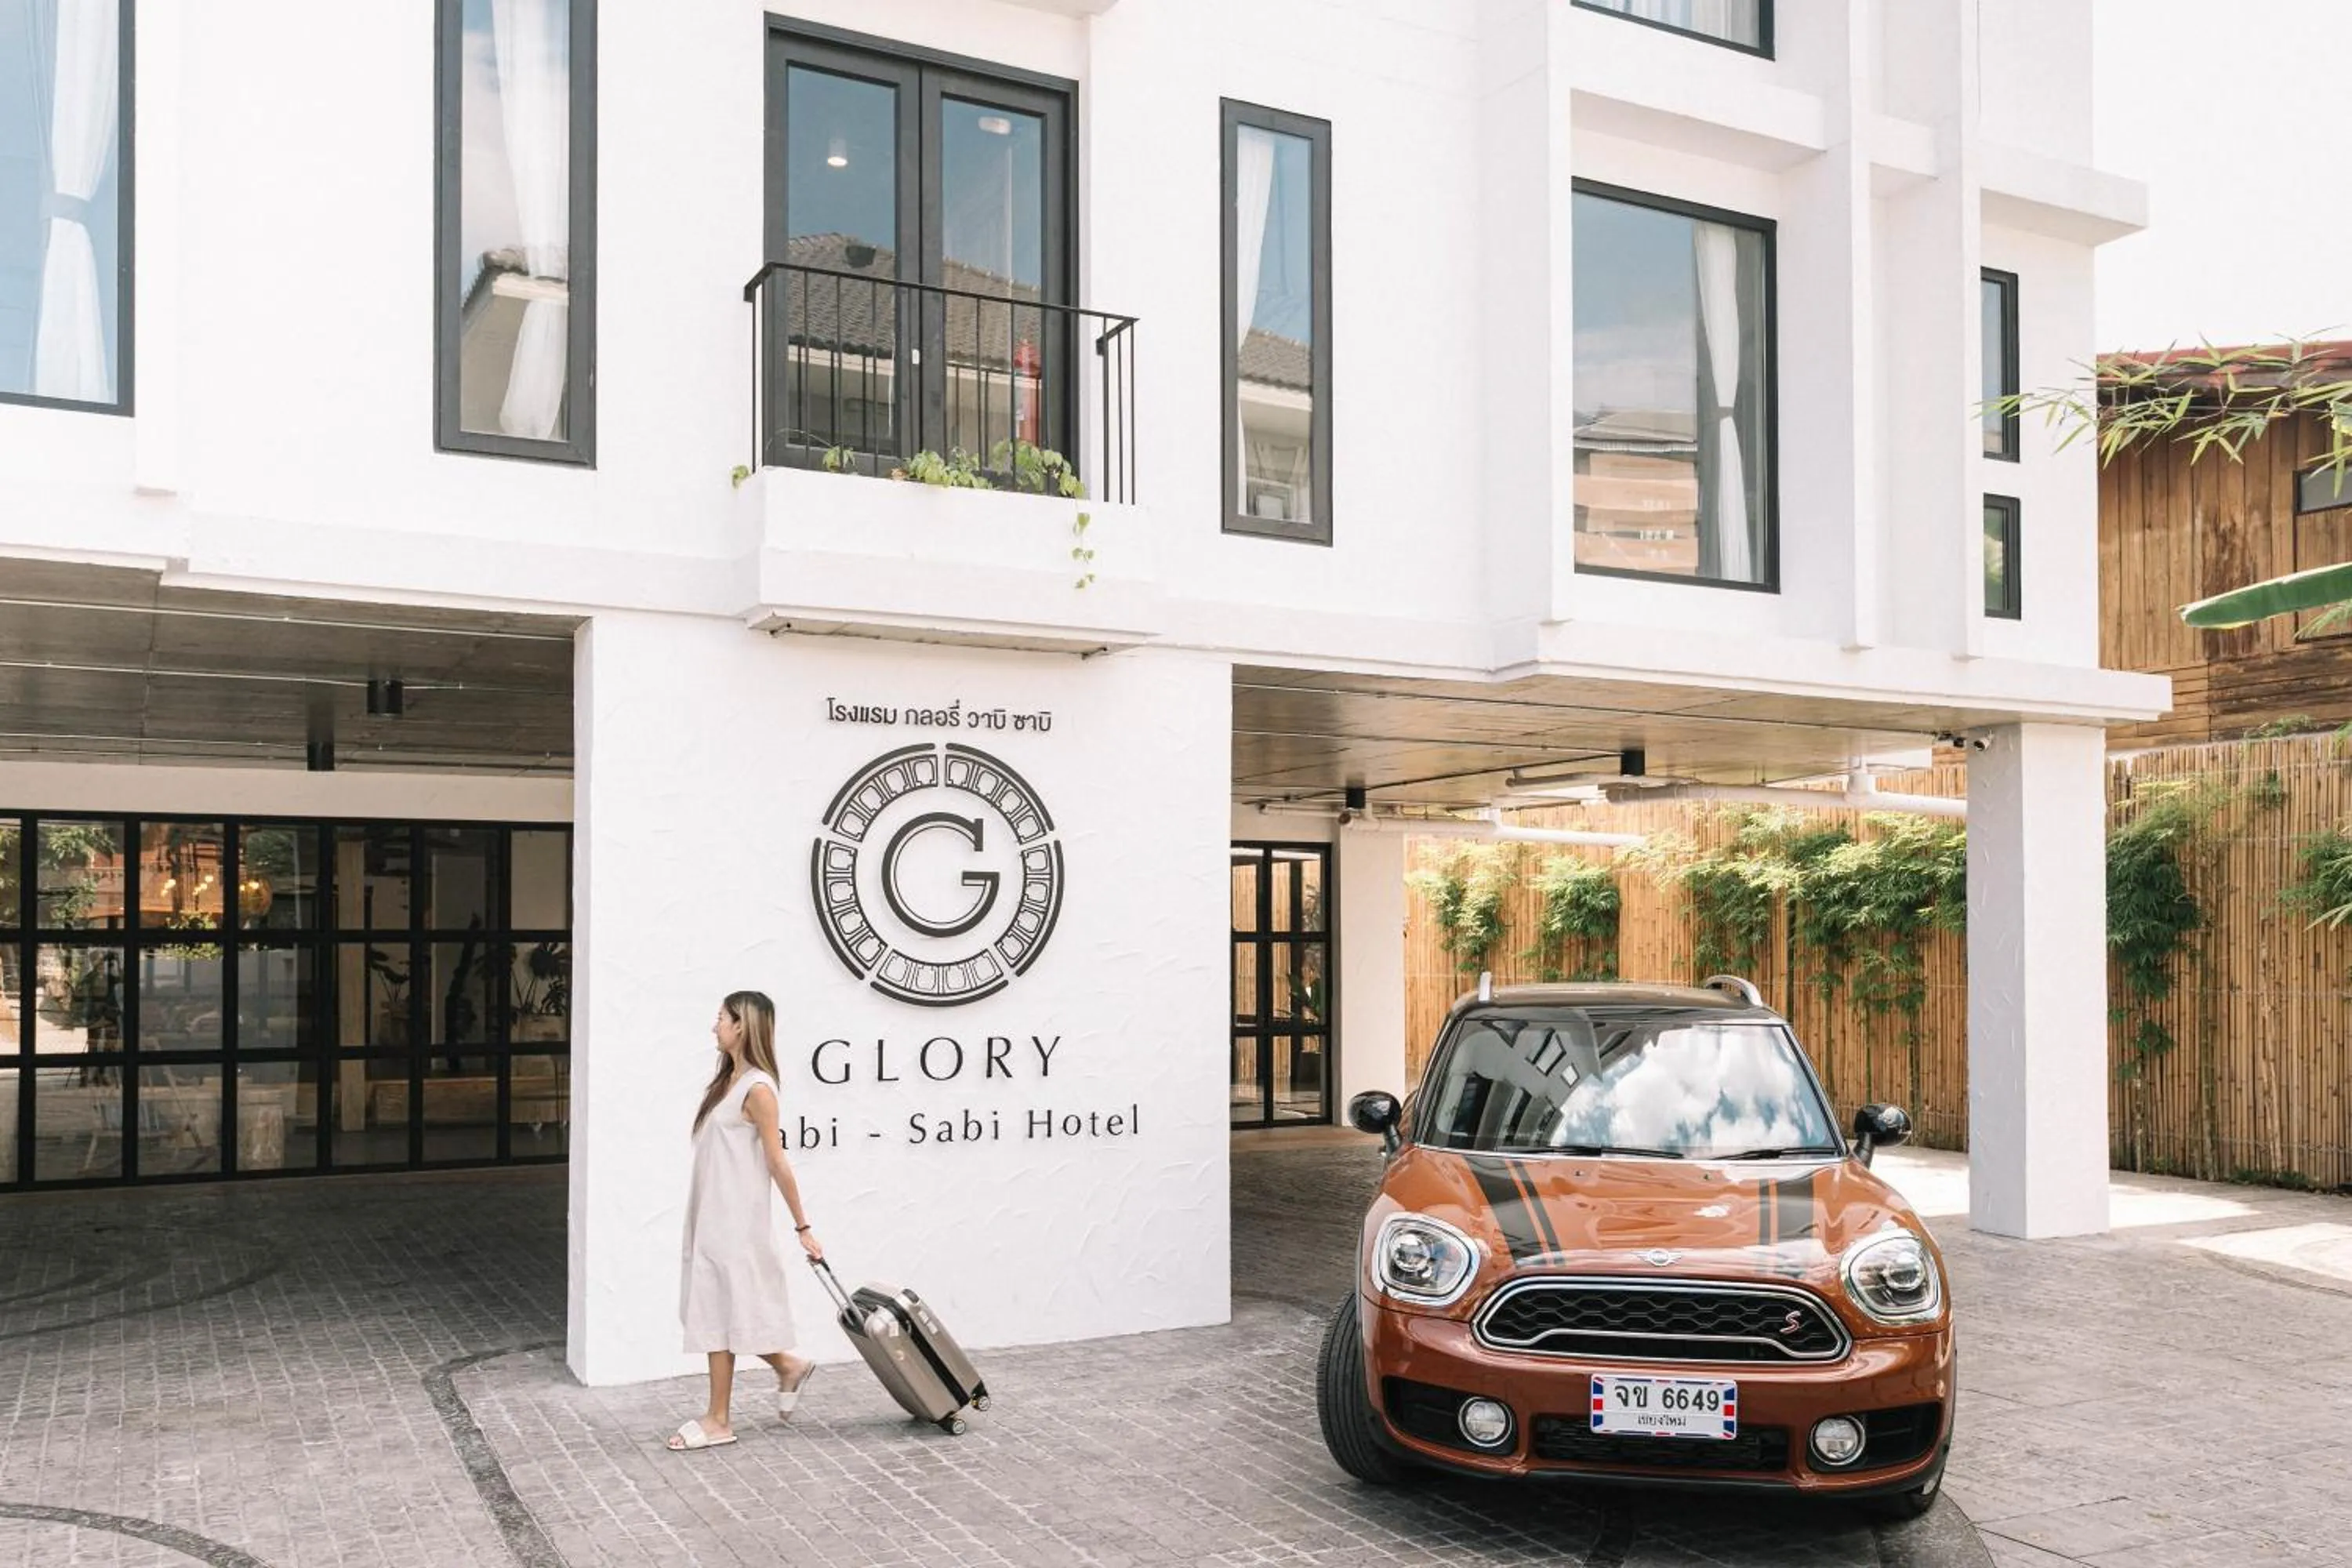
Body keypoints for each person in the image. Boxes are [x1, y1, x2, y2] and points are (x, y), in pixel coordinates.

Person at [667, 990, 825, 1451]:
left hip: (736, 1221)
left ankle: (719, 1418)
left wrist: (803, 1227)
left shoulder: (758, 1089)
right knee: (719, 1310)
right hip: (713, 1215)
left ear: (742, 1026)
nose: (714, 1026)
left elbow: (778, 1162)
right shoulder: (728, 1083)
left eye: (721, 1018)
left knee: (722, 1310)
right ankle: (785, 1367)